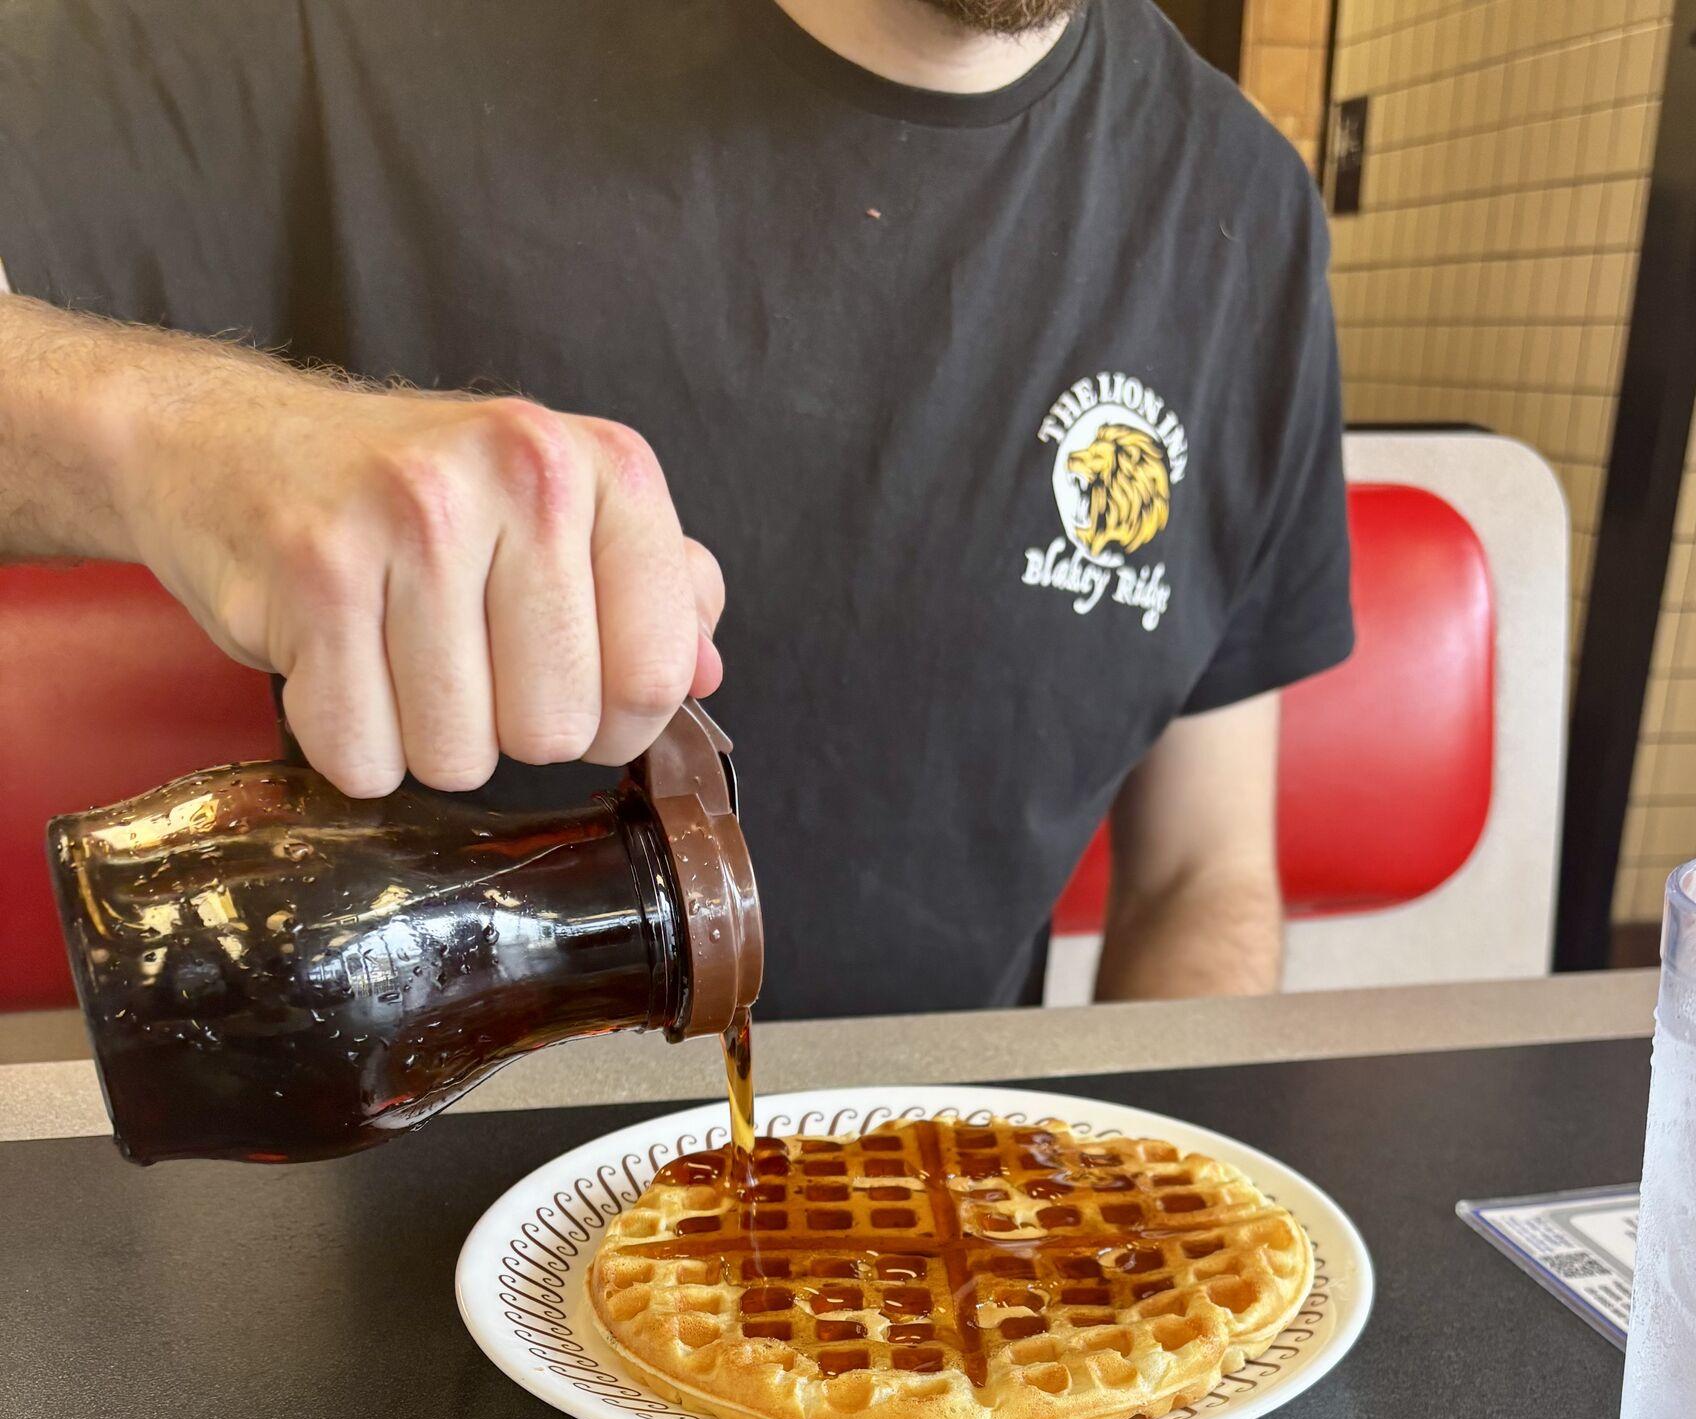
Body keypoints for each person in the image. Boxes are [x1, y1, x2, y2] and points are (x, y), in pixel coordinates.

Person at [0, 0, 1352, 1020]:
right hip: (396, 1199)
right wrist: (199, 438)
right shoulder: (330, 33)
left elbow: (1202, 879)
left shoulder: (1240, 215)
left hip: (967, 1260)